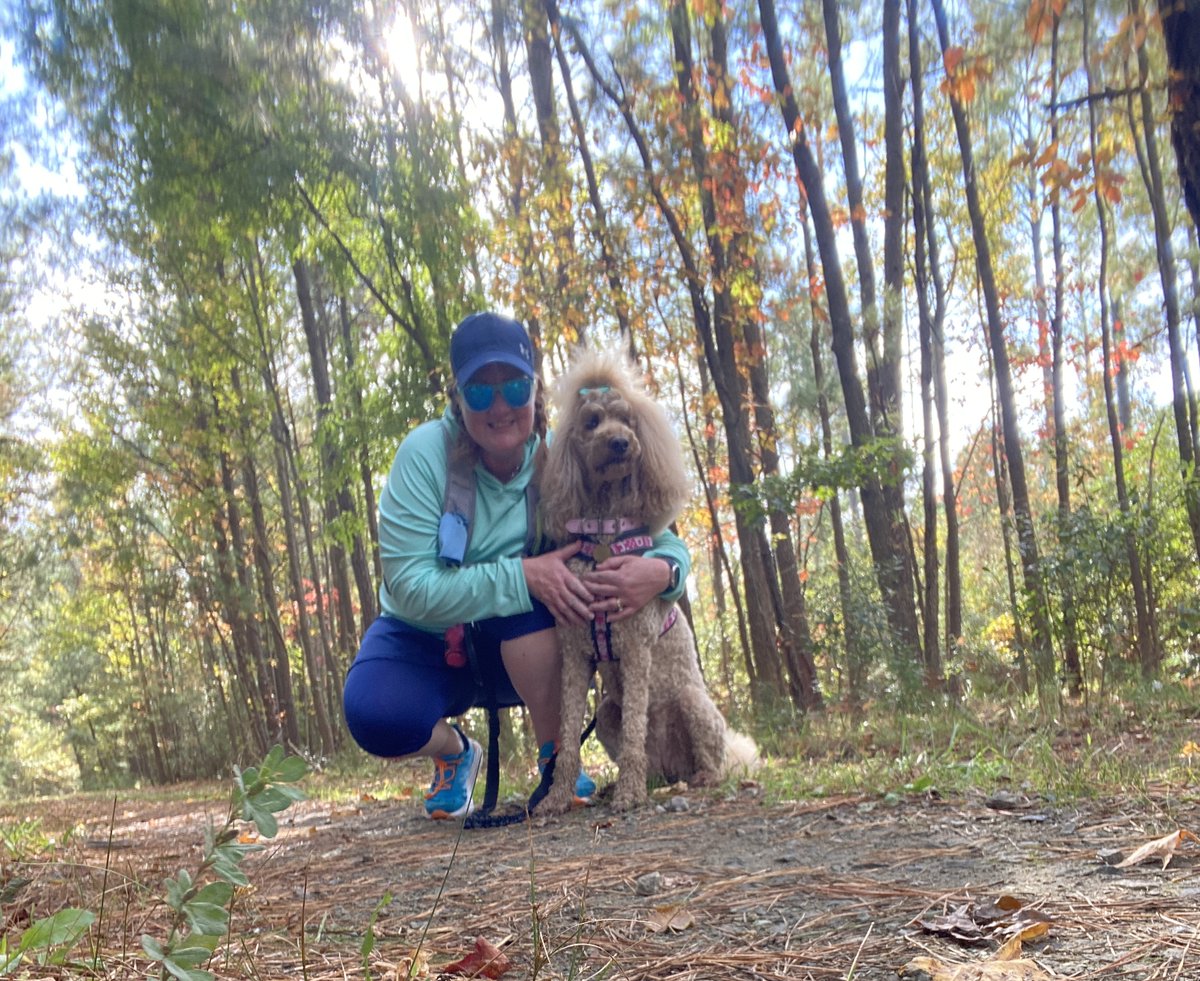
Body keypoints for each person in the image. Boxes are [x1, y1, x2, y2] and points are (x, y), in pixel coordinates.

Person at [343, 312, 692, 819]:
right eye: (480, 392)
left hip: (519, 641)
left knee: (542, 606)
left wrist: (662, 573)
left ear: (535, 392)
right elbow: (410, 586)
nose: (500, 405)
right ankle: (455, 753)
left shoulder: (560, 457)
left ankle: (558, 759)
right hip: (425, 635)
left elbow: (658, 536)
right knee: (375, 714)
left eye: (514, 386)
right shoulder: (423, 456)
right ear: (458, 398)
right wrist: (521, 575)